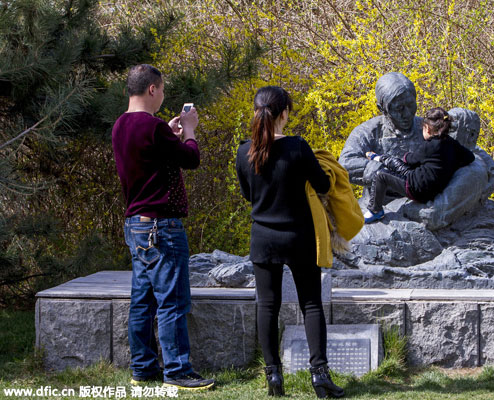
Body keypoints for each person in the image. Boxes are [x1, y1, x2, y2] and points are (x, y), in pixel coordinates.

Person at [235, 86, 344, 398]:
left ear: (256, 112)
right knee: (310, 303)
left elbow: (248, 194)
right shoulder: (297, 147)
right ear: (284, 114)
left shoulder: (244, 152)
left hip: (263, 237)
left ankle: (273, 376)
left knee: (267, 305)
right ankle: (319, 374)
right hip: (299, 236)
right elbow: (323, 184)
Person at [111, 64, 215, 390]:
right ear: (152, 89)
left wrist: (169, 134)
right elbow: (191, 159)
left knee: (143, 300)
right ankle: (178, 372)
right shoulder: (152, 127)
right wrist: (190, 129)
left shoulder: (121, 125)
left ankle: (143, 369)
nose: (163, 96)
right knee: (172, 300)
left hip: (135, 225)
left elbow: (153, 158)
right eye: (163, 90)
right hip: (162, 226)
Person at [363, 107, 475, 223]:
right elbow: (470, 157)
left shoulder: (429, 146)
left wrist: (407, 155)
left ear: (428, 129)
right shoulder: (452, 143)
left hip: (417, 189)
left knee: (381, 175)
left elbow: (410, 160)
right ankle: (380, 158)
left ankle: (375, 211)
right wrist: (450, 163)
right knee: (399, 165)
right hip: (427, 184)